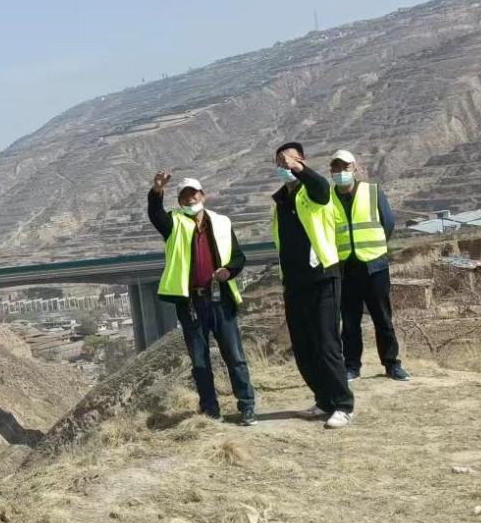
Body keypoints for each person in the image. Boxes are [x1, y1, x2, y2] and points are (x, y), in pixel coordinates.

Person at [147, 172, 257, 425]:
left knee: (235, 356)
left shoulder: (221, 223)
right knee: (199, 362)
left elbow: (239, 256)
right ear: (180, 201)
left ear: (202, 195)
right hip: (191, 304)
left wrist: (228, 271)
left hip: (221, 300)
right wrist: (156, 191)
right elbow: (155, 214)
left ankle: (247, 405)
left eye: (193, 194)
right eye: (184, 196)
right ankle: (210, 411)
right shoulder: (173, 224)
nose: (190, 200)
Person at [272, 142, 355, 429]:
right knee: (304, 346)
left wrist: (298, 168)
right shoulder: (281, 201)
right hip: (295, 283)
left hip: (322, 276)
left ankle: (343, 404)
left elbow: (319, 185)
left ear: (303, 162)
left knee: (327, 343)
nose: (285, 167)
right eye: (280, 164)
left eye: (290, 162)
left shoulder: (317, 193)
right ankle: (323, 400)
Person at [330, 150, 410, 382]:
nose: (341, 172)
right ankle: (352, 366)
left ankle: (392, 364)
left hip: (374, 266)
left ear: (354, 168)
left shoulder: (372, 192)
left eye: (345, 167)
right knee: (350, 321)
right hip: (346, 268)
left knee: (382, 318)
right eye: (336, 168)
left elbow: (388, 223)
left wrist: (375, 250)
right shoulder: (328, 198)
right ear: (331, 171)